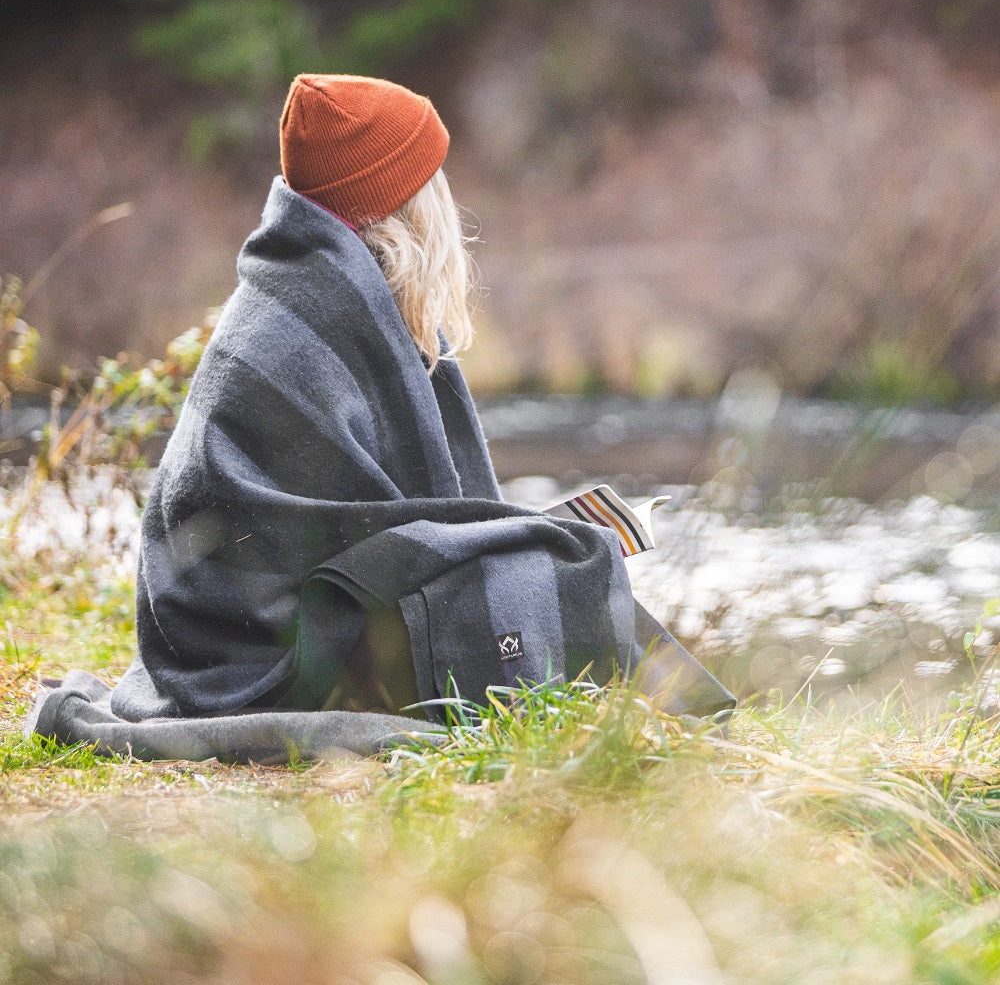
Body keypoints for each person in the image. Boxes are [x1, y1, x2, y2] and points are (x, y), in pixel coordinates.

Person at [26, 75, 733, 763]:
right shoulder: (325, 307)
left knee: (552, 557)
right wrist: (534, 539)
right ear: (393, 202)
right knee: (562, 571)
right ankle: (699, 726)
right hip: (254, 657)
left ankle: (688, 720)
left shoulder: (314, 280)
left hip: (237, 633)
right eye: (432, 180)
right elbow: (381, 542)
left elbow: (379, 525)